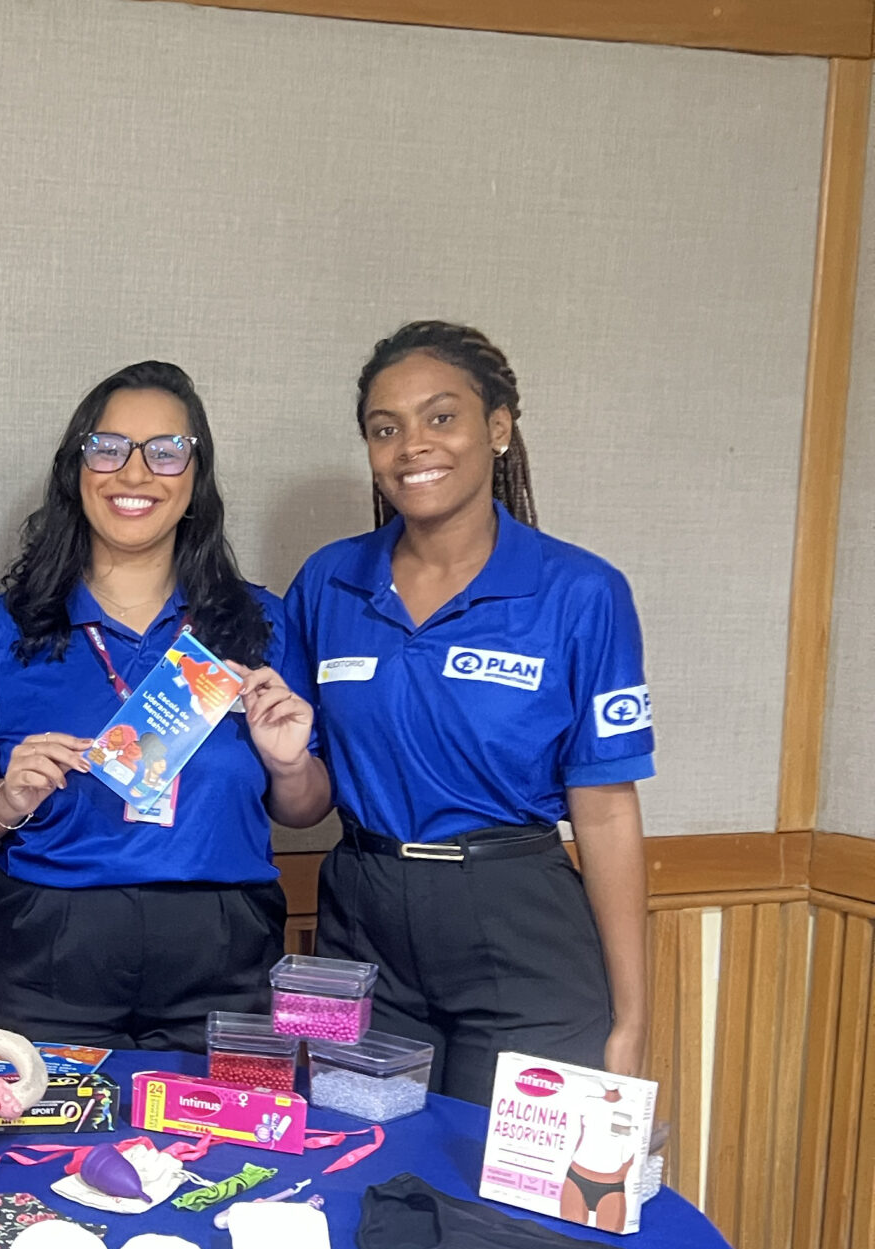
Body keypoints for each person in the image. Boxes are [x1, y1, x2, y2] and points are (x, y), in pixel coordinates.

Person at [275, 320, 652, 1104]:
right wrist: (284, 761)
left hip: (519, 919)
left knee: (515, 1198)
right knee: (352, 1157)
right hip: (361, 911)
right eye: (386, 429)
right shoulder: (329, 582)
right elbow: (303, 793)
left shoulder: (581, 591)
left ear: (500, 428)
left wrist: (632, 1015)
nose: (413, 445)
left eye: (441, 417)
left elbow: (607, 811)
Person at [0, 359, 321, 1048]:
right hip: (48, 943)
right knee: (44, 1153)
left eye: (165, 452)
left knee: (218, 1153)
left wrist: (288, 765)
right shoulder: (6, 630)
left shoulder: (261, 622)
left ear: (196, 479)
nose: (134, 473)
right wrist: (6, 799)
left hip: (224, 943)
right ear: (75, 470)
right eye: (108, 448)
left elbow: (304, 808)